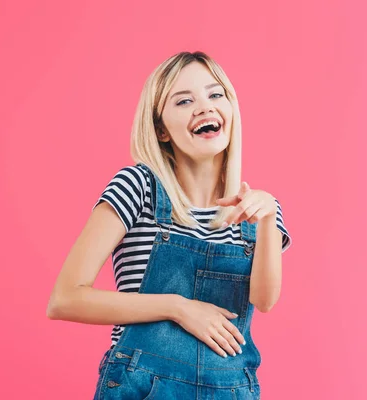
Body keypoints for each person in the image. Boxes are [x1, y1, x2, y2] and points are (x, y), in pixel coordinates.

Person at [46, 51, 292, 399]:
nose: (204, 107)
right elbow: (64, 299)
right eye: (184, 100)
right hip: (144, 388)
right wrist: (178, 308)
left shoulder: (258, 210)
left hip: (229, 389)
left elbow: (264, 301)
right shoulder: (137, 187)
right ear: (160, 129)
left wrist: (268, 221)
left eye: (215, 94)